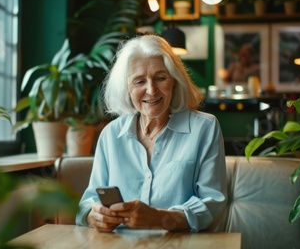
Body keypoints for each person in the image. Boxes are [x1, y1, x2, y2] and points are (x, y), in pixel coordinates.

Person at [75, 34, 227, 233]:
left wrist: (158, 217)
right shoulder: (111, 134)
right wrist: (93, 215)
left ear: (174, 81)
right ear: (126, 88)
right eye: (139, 81)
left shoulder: (204, 128)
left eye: (160, 78)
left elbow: (212, 205)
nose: (151, 90)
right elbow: (87, 203)